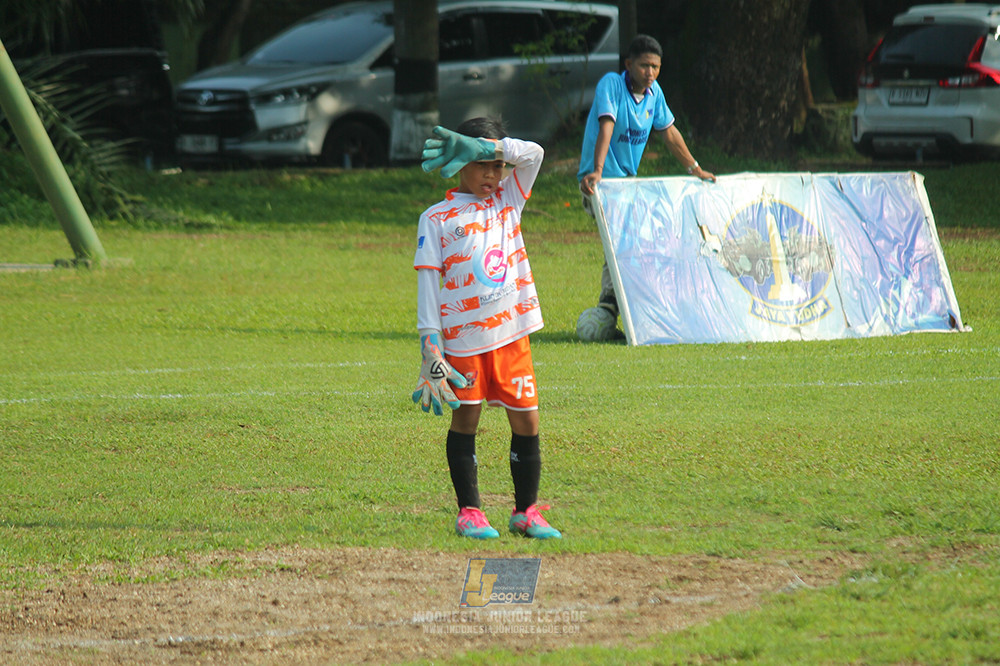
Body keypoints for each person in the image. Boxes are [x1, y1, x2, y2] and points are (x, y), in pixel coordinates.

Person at [411, 117, 561, 540]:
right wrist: (431, 347)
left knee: (528, 422)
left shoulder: (509, 200)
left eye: (497, 165)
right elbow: (427, 284)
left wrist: (491, 148)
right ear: (460, 163)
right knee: (467, 419)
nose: (492, 174)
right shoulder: (436, 219)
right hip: (464, 342)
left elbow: (534, 154)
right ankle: (470, 512)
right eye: (481, 164)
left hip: (512, 337)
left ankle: (526, 511)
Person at [578, 34, 716, 321]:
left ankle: (618, 304)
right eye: (644, 66)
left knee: (631, 240)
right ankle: (613, 302)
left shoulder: (655, 94)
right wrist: (598, 171)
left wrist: (695, 168)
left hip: (628, 184)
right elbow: (606, 125)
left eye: (655, 66)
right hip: (600, 182)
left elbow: (669, 133)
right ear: (628, 64)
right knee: (622, 239)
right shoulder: (612, 85)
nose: (650, 72)